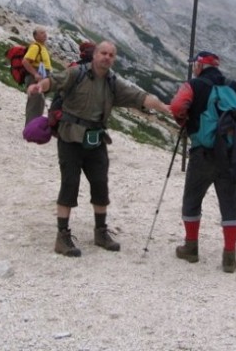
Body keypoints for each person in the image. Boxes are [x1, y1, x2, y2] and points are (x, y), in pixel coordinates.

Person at [28, 40, 171, 257]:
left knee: (100, 184)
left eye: (111, 55)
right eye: (103, 53)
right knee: (70, 184)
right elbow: (54, 81)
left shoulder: (114, 82)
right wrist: (40, 87)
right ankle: (62, 236)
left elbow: (139, 97)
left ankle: (100, 232)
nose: (107, 57)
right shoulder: (76, 73)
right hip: (70, 138)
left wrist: (166, 108)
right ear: (95, 55)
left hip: (96, 140)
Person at [170, 51, 236, 273]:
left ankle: (191, 248)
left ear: (199, 65)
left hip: (202, 153)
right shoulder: (234, 87)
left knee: (192, 200)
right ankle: (229, 258)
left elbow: (177, 107)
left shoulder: (192, 86)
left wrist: (183, 121)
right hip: (231, 155)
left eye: (195, 64)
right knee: (230, 204)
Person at [22, 27, 53, 125]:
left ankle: (34, 127)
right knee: (34, 102)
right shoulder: (35, 47)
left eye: (45, 32)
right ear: (36, 36)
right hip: (35, 78)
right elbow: (25, 61)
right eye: (42, 33)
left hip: (42, 76)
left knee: (40, 103)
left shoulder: (42, 46)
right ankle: (29, 128)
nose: (45, 34)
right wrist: (35, 74)